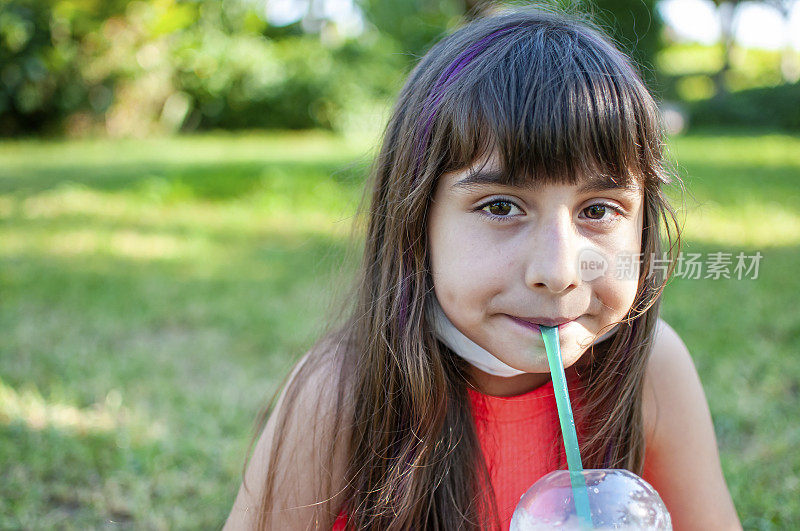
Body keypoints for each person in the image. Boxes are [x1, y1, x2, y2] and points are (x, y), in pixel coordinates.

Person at [225, 6, 741, 530]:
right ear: (416, 222)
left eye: (598, 210)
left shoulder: (654, 368)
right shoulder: (342, 391)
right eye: (500, 207)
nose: (559, 271)